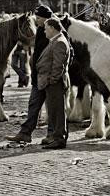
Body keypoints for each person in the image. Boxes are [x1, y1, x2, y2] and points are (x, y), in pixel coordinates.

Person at [5, 5, 55, 144]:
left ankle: (52, 135)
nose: (36, 20)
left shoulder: (54, 33)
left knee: (52, 108)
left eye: (38, 18)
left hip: (48, 77)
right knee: (33, 105)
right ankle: (25, 133)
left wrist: (52, 76)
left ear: (46, 18)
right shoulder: (41, 30)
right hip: (37, 76)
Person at [37, 18, 71, 149]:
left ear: (52, 28)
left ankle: (59, 138)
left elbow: (58, 65)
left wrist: (52, 80)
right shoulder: (56, 41)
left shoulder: (59, 42)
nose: (44, 31)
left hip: (55, 83)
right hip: (52, 82)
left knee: (57, 111)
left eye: (46, 28)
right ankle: (55, 136)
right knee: (54, 110)